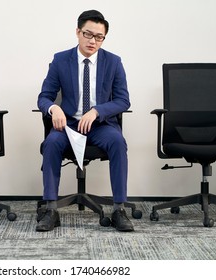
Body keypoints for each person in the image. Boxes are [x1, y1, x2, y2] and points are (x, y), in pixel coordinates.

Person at [36, 10, 133, 232]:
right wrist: (53, 108)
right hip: (68, 125)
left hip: (100, 126)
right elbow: (44, 96)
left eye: (99, 37)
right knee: (51, 143)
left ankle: (119, 209)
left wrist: (97, 111)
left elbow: (123, 100)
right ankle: (50, 208)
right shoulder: (61, 60)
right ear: (78, 32)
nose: (93, 41)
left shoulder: (113, 62)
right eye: (88, 34)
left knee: (118, 142)